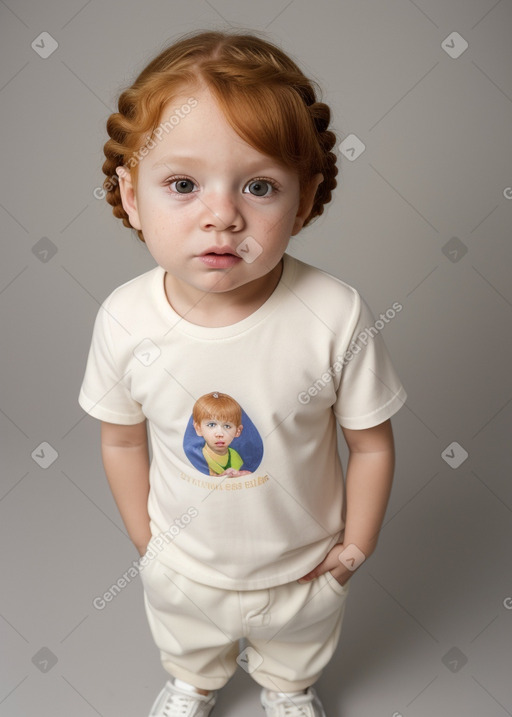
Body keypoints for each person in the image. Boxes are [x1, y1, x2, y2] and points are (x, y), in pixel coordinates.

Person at [78, 28, 407, 717]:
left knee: (298, 644)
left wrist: (353, 549)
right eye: (183, 184)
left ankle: (288, 689)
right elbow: (121, 438)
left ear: (305, 198)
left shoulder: (333, 314)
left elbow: (371, 442)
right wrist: (147, 539)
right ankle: (193, 681)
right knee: (188, 639)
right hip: (183, 562)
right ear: (133, 195)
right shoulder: (125, 319)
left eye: (259, 185)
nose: (222, 214)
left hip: (304, 562)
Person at [192, 391, 251, 477]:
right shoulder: (198, 457)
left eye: (227, 426)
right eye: (211, 425)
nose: (219, 434)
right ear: (198, 428)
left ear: (238, 431)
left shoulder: (235, 456)